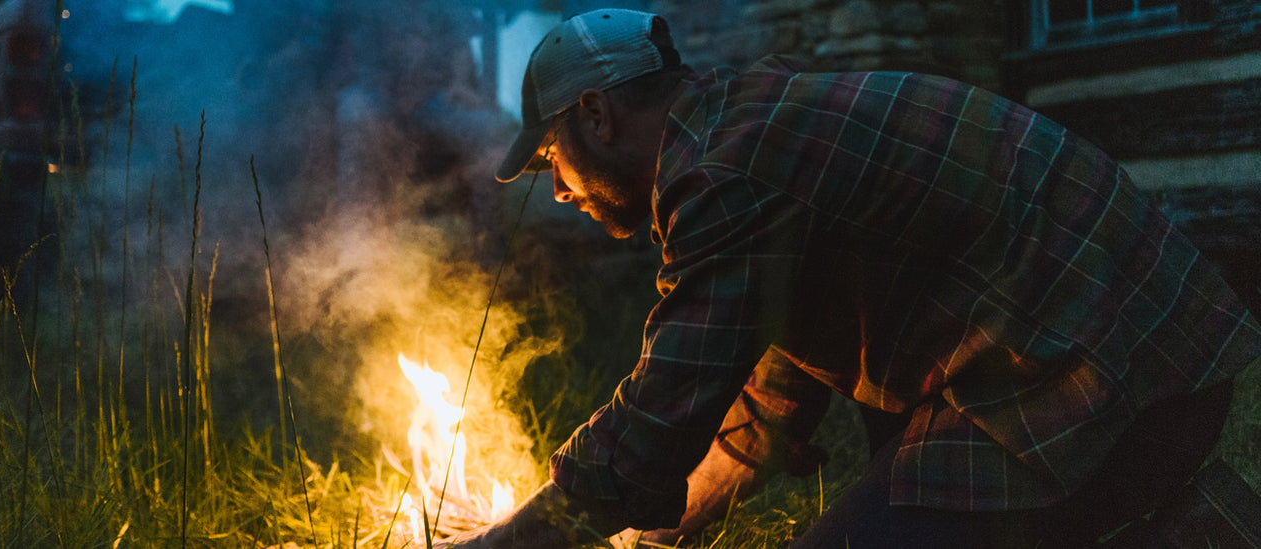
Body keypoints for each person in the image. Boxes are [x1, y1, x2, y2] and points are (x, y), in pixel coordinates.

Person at [439, 8, 1261, 548]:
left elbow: (657, 418)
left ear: (596, 114)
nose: (559, 189)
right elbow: (768, 395)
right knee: (885, 466)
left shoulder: (723, 171)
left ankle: (1196, 534)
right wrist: (655, 532)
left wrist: (509, 541)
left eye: (551, 158)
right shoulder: (751, 125)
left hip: (1106, 386)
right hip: (1136, 361)